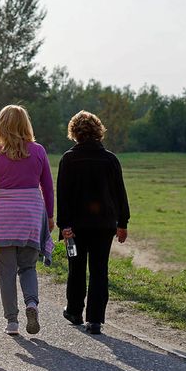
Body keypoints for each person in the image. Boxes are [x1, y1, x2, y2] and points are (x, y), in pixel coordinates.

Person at [0, 105, 54, 336]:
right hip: (31, 215)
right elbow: (48, 188)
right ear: (26, 125)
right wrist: (49, 216)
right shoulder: (39, 151)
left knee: (7, 272)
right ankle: (31, 304)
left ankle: (12, 322)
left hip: (4, 218)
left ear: (0, 126)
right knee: (28, 266)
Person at [56, 111, 130, 335]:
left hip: (76, 227)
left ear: (74, 133)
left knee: (76, 268)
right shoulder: (110, 159)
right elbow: (120, 193)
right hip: (104, 226)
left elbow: (63, 195)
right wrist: (122, 222)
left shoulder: (68, 159)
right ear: (99, 131)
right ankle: (95, 319)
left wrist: (64, 225)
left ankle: (75, 311)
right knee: (99, 270)